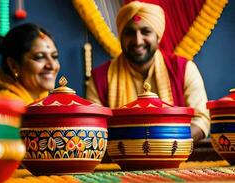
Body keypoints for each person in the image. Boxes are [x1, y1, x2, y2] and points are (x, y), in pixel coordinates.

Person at [86, 1, 210, 143]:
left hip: (175, 160)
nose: (138, 41)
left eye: (145, 32)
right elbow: (93, 128)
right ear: (121, 37)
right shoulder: (100, 78)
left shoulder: (184, 69)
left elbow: (201, 120)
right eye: (130, 33)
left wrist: (167, 145)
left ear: (158, 36)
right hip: (119, 162)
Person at [0, 23, 60, 105]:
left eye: (54, 56)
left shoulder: (45, 104)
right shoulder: (5, 109)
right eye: (39, 57)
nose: (52, 66)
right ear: (13, 65)